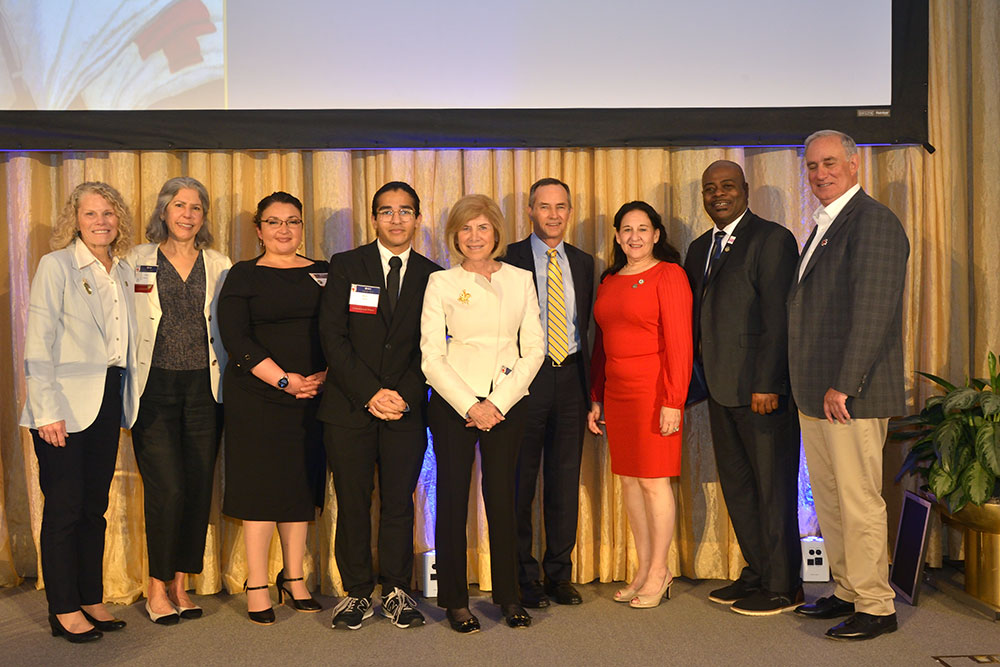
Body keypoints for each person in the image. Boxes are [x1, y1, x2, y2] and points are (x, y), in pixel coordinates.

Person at [789, 130, 909, 640]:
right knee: (832, 497)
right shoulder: (824, 223)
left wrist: (845, 384)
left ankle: (877, 606)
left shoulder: (874, 222)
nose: (820, 173)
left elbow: (873, 312)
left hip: (848, 394)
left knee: (859, 499)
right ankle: (846, 589)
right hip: (818, 392)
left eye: (830, 163)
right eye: (813, 165)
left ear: (855, 166)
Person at [20, 181, 139, 642]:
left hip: (109, 397)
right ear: (75, 219)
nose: (101, 222)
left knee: (94, 508)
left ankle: (91, 598)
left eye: (108, 213)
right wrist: (47, 409)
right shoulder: (56, 266)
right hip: (62, 406)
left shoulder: (124, 270)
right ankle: (63, 608)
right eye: (91, 214)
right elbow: (37, 342)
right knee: (65, 509)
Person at [319, 181, 442, 630]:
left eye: (405, 211)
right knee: (353, 502)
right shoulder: (347, 265)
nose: (396, 219)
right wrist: (369, 393)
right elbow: (333, 337)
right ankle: (355, 593)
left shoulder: (434, 275)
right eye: (386, 211)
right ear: (373, 218)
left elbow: (430, 350)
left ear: (417, 218)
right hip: (349, 408)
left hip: (405, 410)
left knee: (398, 503)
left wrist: (401, 396)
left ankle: (395, 589)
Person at [420, 194, 545, 632]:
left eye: (483, 228)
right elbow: (431, 356)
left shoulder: (520, 279)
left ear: (496, 232)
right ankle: (455, 601)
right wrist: (471, 404)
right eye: (465, 229)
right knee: (451, 502)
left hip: (507, 405)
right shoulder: (441, 283)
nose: (474, 237)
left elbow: (534, 348)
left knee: (505, 501)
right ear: (455, 235)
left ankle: (509, 596)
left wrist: (497, 403)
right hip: (456, 406)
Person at [683, 161, 802, 615]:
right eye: (709, 188)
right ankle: (758, 572)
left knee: (773, 488)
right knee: (740, 487)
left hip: (760, 391)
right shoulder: (699, 249)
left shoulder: (772, 239)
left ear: (745, 190)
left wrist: (768, 382)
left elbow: (778, 317)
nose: (718, 194)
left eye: (727, 186)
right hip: (719, 388)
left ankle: (784, 584)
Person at [218, 192, 328, 624]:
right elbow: (236, 338)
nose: (284, 230)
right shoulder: (243, 274)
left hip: (312, 394)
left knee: (301, 484)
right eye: (274, 222)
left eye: (293, 221)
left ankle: (295, 577)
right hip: (258, 397)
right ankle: (258, 583)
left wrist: (321, 376)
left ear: (302, 227)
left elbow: (340, 327)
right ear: (259, 229)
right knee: (261, 491)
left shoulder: (323, 272)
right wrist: (284, 380)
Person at [127, 176, 231, 625]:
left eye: (196, 208)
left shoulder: (220, 263)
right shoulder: (135, 260)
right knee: (166, 489)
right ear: (164, 211)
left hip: (205, 391)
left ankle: (181, 586)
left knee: (195, 488)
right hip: (154, 389)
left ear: (203, 217)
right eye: (179, 205)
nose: (187, 214)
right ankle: (156, 587)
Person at [587, 201, 692, 609]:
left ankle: (660, 571)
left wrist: (673, 401)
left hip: (655, 391)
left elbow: (681, 344)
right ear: (616, 236)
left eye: (643, 229)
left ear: (656, 235)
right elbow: (601, 345)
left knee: (653, 482)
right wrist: (596, 396)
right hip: (618, 393)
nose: (634, 237)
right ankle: (644, 568)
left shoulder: (669, 275)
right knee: (630, 482)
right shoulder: (610, 279)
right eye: (626, 229)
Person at [503, 177, 593, 608]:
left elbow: (591, 331)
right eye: (544, 206)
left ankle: (559, 573)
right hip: (525, 382)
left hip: (572, 381)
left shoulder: (585, 262)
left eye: (561, 207)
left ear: (569, 211)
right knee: (520, 481)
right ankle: (523, 577)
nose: (553, 215)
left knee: (563, 481)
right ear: (530, 211)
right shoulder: (507, 260)